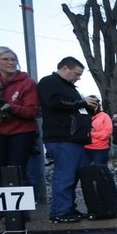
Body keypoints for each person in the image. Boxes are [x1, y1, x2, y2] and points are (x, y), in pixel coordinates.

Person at [38, 56, 99, 223]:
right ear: (65, 68)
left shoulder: (68, 87)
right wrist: (81, 102)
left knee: (71, 176)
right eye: (77, 73)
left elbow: (72, 106)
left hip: (74, 139)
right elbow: (55, 103)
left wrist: (88, 106)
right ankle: (60, 211)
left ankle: (68, 208)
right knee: (65, 175)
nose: (78, 77)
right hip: (62, 138)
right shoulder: (49, 82)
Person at [0, 46, 39, 222]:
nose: (11, 63)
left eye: (13, 59)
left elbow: (32, 111)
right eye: (6, 59)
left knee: (17, 168)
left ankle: (21, 210)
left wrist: (11, 107)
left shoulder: (27, 82)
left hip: (21, 130)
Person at [81, 97, 112, 165]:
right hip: (85, 148)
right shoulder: (84, 116)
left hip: (100, 150)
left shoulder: (104, 116)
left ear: (98, 105)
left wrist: (90, 133)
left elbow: (106, 134)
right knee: (83, 171)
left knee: (100, 171)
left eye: (94, 104)